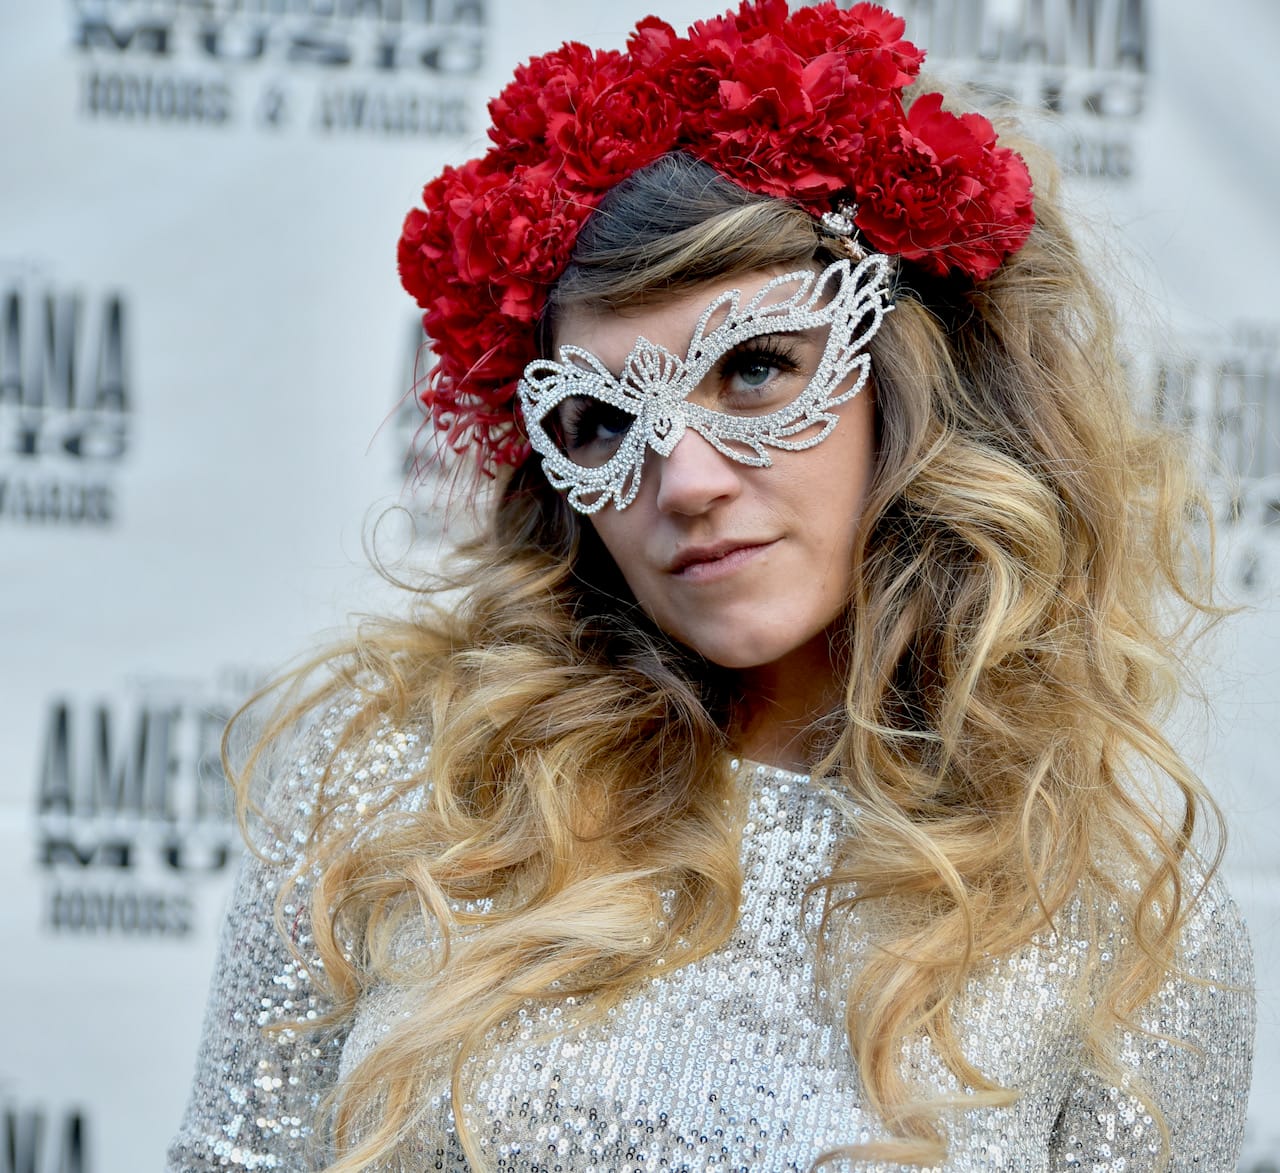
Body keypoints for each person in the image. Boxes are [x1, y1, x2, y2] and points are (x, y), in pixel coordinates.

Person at [168, 2, 1255, 1170]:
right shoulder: (396, 785)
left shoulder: (1125, 930)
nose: (682, 483)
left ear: (909, 383)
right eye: (601, 420)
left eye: (751, 370)